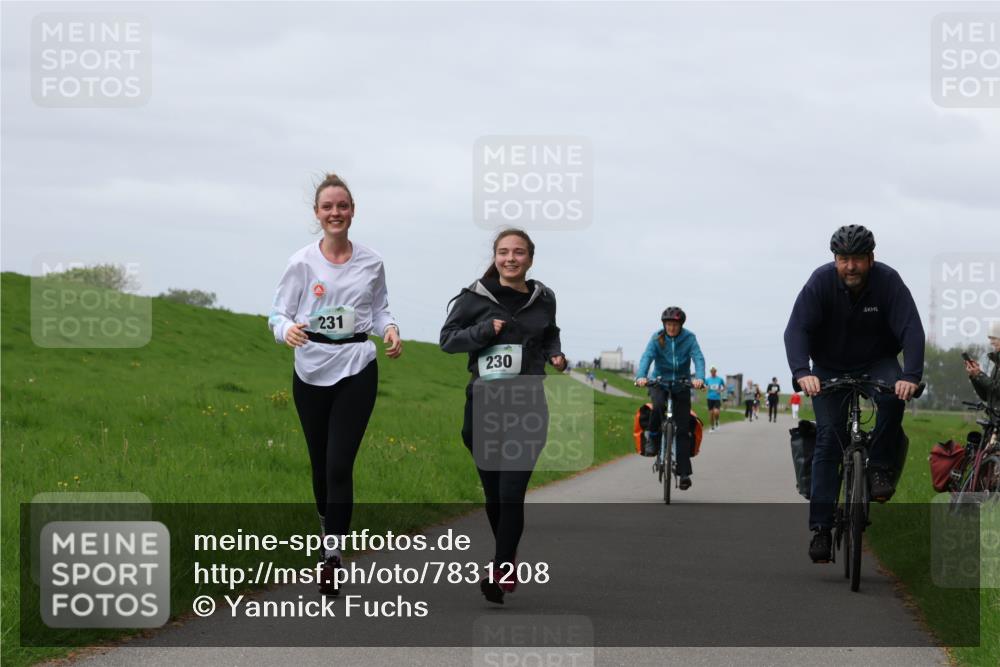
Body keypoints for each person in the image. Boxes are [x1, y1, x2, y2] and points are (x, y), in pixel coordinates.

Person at [268, 173, 403, 595]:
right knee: (320, 463)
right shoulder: (302, 263)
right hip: (310, 367)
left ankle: (332, 554)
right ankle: (327, 528)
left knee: (340, 462)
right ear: (317, 214)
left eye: (342, 206)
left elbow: (378, 309)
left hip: (357, 363)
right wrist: (286, 330)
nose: (335, 213)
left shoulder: (372, 262)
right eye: (328, 207)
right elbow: (277, 314)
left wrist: (391, 329)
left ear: (352, 211)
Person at [783, 225, 924, 564]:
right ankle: (820, 529)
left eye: (857, 259)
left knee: (892, 398)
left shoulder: (889, 282)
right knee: (830, 440)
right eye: (843, 259)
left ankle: (879, 467)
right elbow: (796, 329)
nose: (850, 266)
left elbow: (912, 329)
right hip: (829, 367)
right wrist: (803, 372)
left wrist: (911, 376)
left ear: (870, 259)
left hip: (878, 362)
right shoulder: (819, 283)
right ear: (835, 260)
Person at [440, 228, 566, 604]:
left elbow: (550, 335)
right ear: (495, 257)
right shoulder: (475, 297)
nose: (511, 258)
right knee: (494, 496)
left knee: (511, 493)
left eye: (519, 252)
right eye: (504, 252)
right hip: (483, 406)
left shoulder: (544, 298)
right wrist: (482, 331)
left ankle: (499, 568)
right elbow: (448, 340)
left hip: (527, 405)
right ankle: (507, 553)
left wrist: (555, 354)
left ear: (530, 258)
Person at [635, 307, 706, 489]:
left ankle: (683, 474)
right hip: (660, 382)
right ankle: (652, 437)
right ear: (664, 324)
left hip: (681, 384)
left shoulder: (689, 338)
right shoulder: (657, 338)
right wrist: (641, 376)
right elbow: (646, 357)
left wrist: (699, 378)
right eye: (668, 324)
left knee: (682, 429)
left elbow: (698, 358)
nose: (671, 328)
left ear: (680, 325)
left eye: (675, 325)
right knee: (657, 406)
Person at [965, 321, 1000, 413]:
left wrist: (979, 374)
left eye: (994, 338)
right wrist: (975, 377)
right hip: (994, 420)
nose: (991, 342)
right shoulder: (997, 364)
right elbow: (986, 396)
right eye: (990, 339)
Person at [705, 367, 726, 431]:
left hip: (717, 398)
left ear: (716, 371)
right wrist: (706, 388)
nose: (713, 372)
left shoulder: (720, 379)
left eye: (714, 371)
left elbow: (724, 387)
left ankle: (717, 421)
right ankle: (712, 427)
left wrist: (720, 390)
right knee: (711, 414)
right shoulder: (708, 379)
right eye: (712, 371)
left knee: (716, 412)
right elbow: (704, 388)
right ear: (710, 372)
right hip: (709, 398)